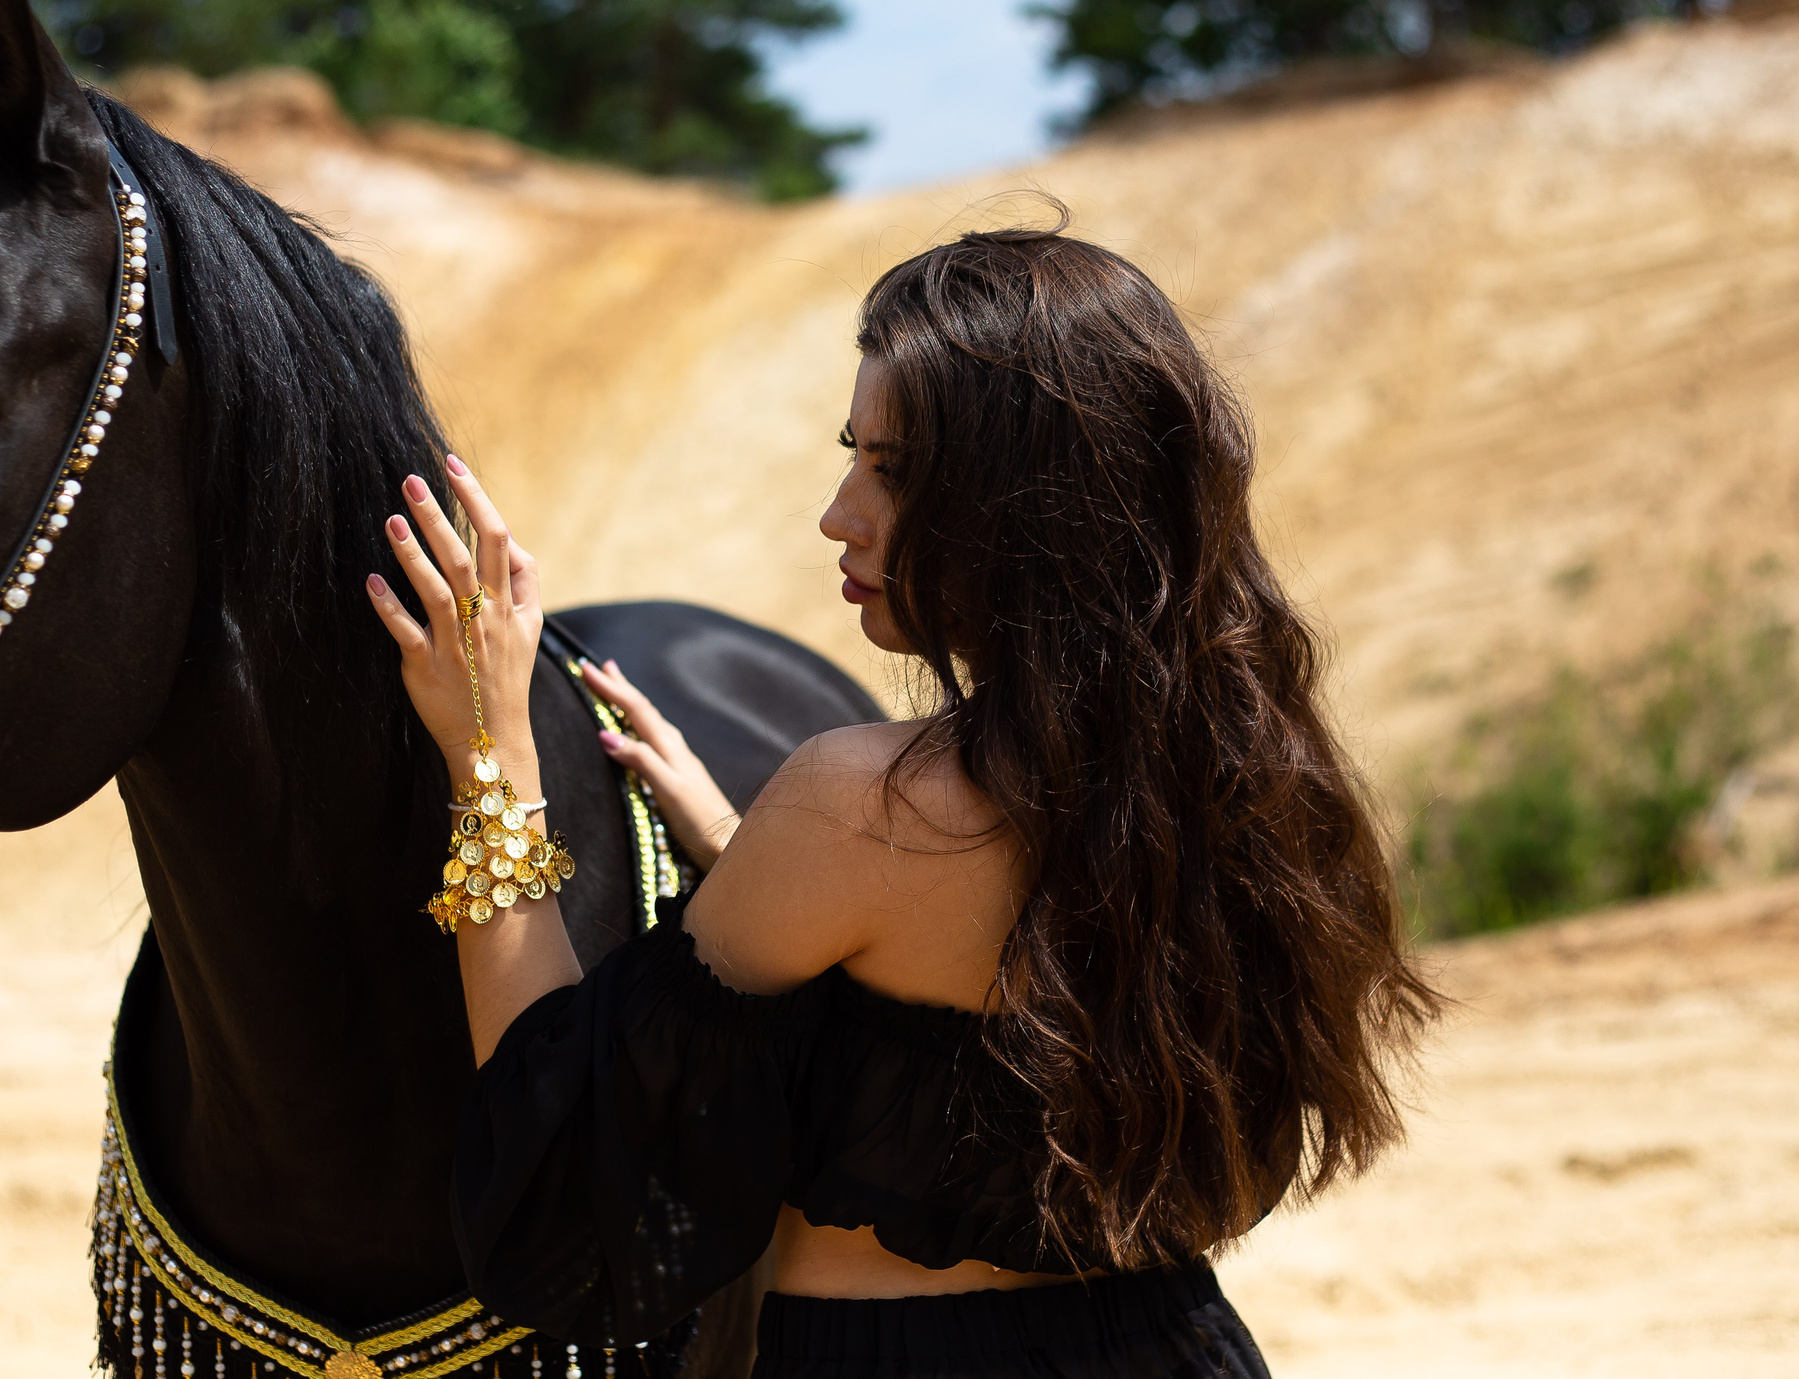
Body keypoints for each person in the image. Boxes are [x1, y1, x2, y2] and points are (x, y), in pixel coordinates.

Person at [363, 220, 1440, 1378]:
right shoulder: (1260, 781)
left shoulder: (863, 803)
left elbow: (566, 1145)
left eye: (898, 471)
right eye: (854, 453)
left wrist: (492, 755)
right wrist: (742, 848)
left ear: (1032, 505)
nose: (841, 512)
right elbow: (964, 1005)